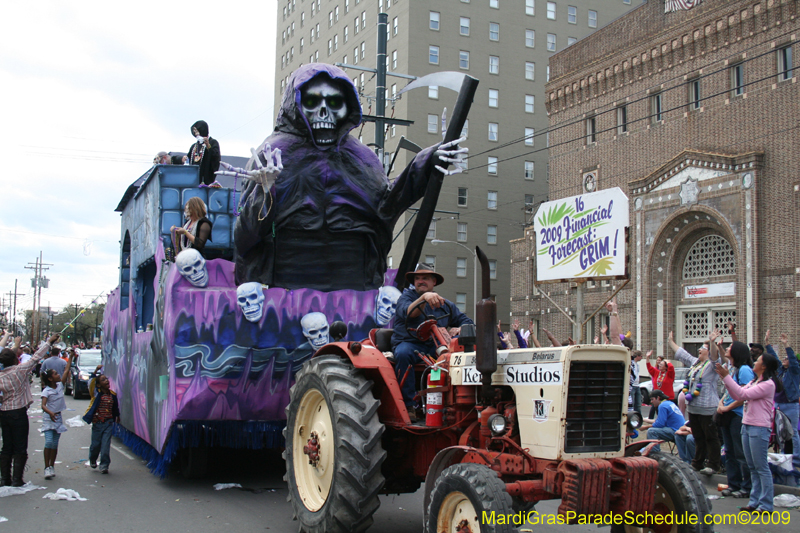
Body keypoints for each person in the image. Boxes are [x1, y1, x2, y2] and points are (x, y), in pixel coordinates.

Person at [230, 64, 466, 291]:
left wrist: (429, 161)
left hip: (353, 289)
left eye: (334, 102)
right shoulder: (272, 154)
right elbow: (245, 237)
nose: (324, 112)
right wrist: (265, 191)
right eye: (312, 101)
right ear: (297, 104)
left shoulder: (362, 158)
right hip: (285, 288)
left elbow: (388, 207)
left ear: (347, 105)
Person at [391, 264, 474, 421]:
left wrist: (460, 328)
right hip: (409, 343)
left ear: (434, 282)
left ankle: (453, 405)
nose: (421, 281)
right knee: (403, 354)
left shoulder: (445, 305)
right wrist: (424, 298)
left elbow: (467, 322)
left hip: (434, 347)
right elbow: (409, 312)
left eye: (425, 278)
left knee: (454, 358)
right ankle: (408, 406)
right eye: (417, 278)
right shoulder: (406, 298)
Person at [715, 350, 784, 513]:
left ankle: (766, 504)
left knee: (761, 467)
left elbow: (742, 394)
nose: (755, 362)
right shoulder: (754, 381)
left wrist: (726, 377)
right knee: (752, 466)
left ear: (764, 366)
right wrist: (726, 379)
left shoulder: (768, 384)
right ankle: (754, 502)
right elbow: (735, 393)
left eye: (758, 360)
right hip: (747, 425)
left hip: (759, 428)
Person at [0, 333, 60, 486]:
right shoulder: (19, 371)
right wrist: (48, 342)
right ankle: (16, 479)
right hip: (18, 412)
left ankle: (5, 478)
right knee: (20, 447)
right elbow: (36, 358)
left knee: (7, 446)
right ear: (15, 360)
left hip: (4, 412)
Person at [668, 330, 721, 475]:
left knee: (710, 437)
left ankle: (713, 464)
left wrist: (712, 342)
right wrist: (670, 341)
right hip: (693, 407)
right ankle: (697, 463)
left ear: (709, 351)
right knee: (698, 437)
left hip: (707, 407)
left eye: (703, 348)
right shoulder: (695, 363)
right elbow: (683, 354)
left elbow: (716, 356)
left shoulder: (712, 365)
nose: (699, 349)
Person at [716, 341, 755, 499]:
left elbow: (745, 395)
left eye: (730, 347)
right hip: (727, 414)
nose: (727, 349)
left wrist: (728, 407)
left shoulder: (744, 370)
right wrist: (721, 403)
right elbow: (728, 390)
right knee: (729, 451)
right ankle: (734, 484)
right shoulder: (732, 368)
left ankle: (747, 486)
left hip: (737, 415)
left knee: (740, 453)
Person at [40, 350, 75, 480]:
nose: (58, 374)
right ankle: (46, 466)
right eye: (55, 374)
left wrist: (70, 357)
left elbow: (66, 371)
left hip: (58, 418)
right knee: (48, 442)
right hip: (49, 418)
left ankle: (51, 465)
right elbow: (43, 406)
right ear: (50, 378)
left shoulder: (60, 386)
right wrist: (50, 413)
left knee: (54, 444)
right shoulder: (46, 391)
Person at [767, 333, 800, 470]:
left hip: (790, 405)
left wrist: (786, 344)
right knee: (779, 432)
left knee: (793, 432)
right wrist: (768, 344)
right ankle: (782, 455)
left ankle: (797, 458)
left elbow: (792, 359)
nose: (785, 359)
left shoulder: (794, 371)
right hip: (778, 405)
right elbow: (775, 359)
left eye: (786, 358)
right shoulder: (780, 370)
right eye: (784, 358)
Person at [82, 367, 120, 474]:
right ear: (98, 385)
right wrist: (95, 372)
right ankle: (93, 459)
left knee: (105, 446)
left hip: (108, 423)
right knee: (95, 445)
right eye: (103, 380)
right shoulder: (96, 394)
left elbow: (115, 408)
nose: (106, 381)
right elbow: (91, 383)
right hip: (97, 424)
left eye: (106, 379)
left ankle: (104, 465)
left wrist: (117, 417)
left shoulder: (112, 395)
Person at [182, 120, 221, 186]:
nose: (196, 134)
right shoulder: (194, 146)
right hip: (193, 181)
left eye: (197, 131)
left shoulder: (213, 142)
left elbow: (216, 158)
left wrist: (208, 146)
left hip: (206, 181)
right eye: (195, 132)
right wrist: (184, 158)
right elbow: (188, 159)